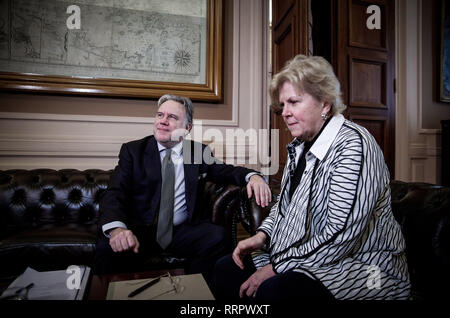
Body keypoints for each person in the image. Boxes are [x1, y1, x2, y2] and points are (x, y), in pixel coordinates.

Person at [212, 54, 411, 300]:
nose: (284, 113)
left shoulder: (353, 145)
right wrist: (261, 237)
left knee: (273, 291)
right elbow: (283, 209)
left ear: (325, 103)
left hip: (363, 267)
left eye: (294, 102)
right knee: (225, 269)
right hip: (305, 256)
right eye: (283, 105)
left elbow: (341, 234)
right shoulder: (300, 146)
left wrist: (275, 269)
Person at [94, 94, 271, 285]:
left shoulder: (197, 152)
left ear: (187, 128)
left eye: (172, 117)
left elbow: (226, 171)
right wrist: (117, 230)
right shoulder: (134, 151)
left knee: (218, 238)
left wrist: (253, 176)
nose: (163, 121)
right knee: (107, 248)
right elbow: (114, 193)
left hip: (180, 231)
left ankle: (195, 292)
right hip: (139, 229)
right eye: (160, 115)